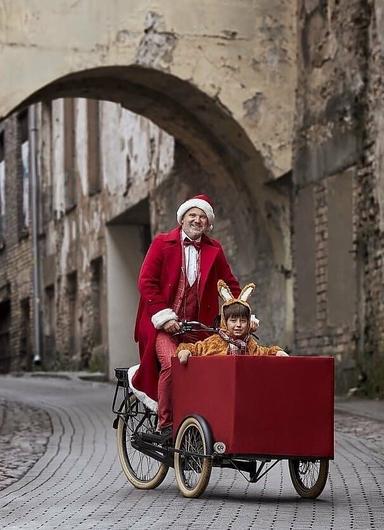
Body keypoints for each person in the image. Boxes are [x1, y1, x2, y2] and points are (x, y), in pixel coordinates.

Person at [131, 194, 241, 438]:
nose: (197, 220)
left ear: (208, 223)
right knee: (173, 363)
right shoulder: (162, 243)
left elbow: (229, 283)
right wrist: (163, 316)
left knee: (211, 367)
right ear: (182, 219)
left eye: (203, 217)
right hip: (161, 325)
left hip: (196, 327)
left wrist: (241, 311)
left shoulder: (214, 249)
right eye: (193, 215)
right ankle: (166, 424)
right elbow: (146, 282)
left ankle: (204, 423)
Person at [177, 280, 288, 363]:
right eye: (233, 320)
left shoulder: (249, 343)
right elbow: (196, 348)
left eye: (243, 321)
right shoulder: (214, 342)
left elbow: (263, 352)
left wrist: (277, 352)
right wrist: (185, 351)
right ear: (225, 321)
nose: (238, 325)